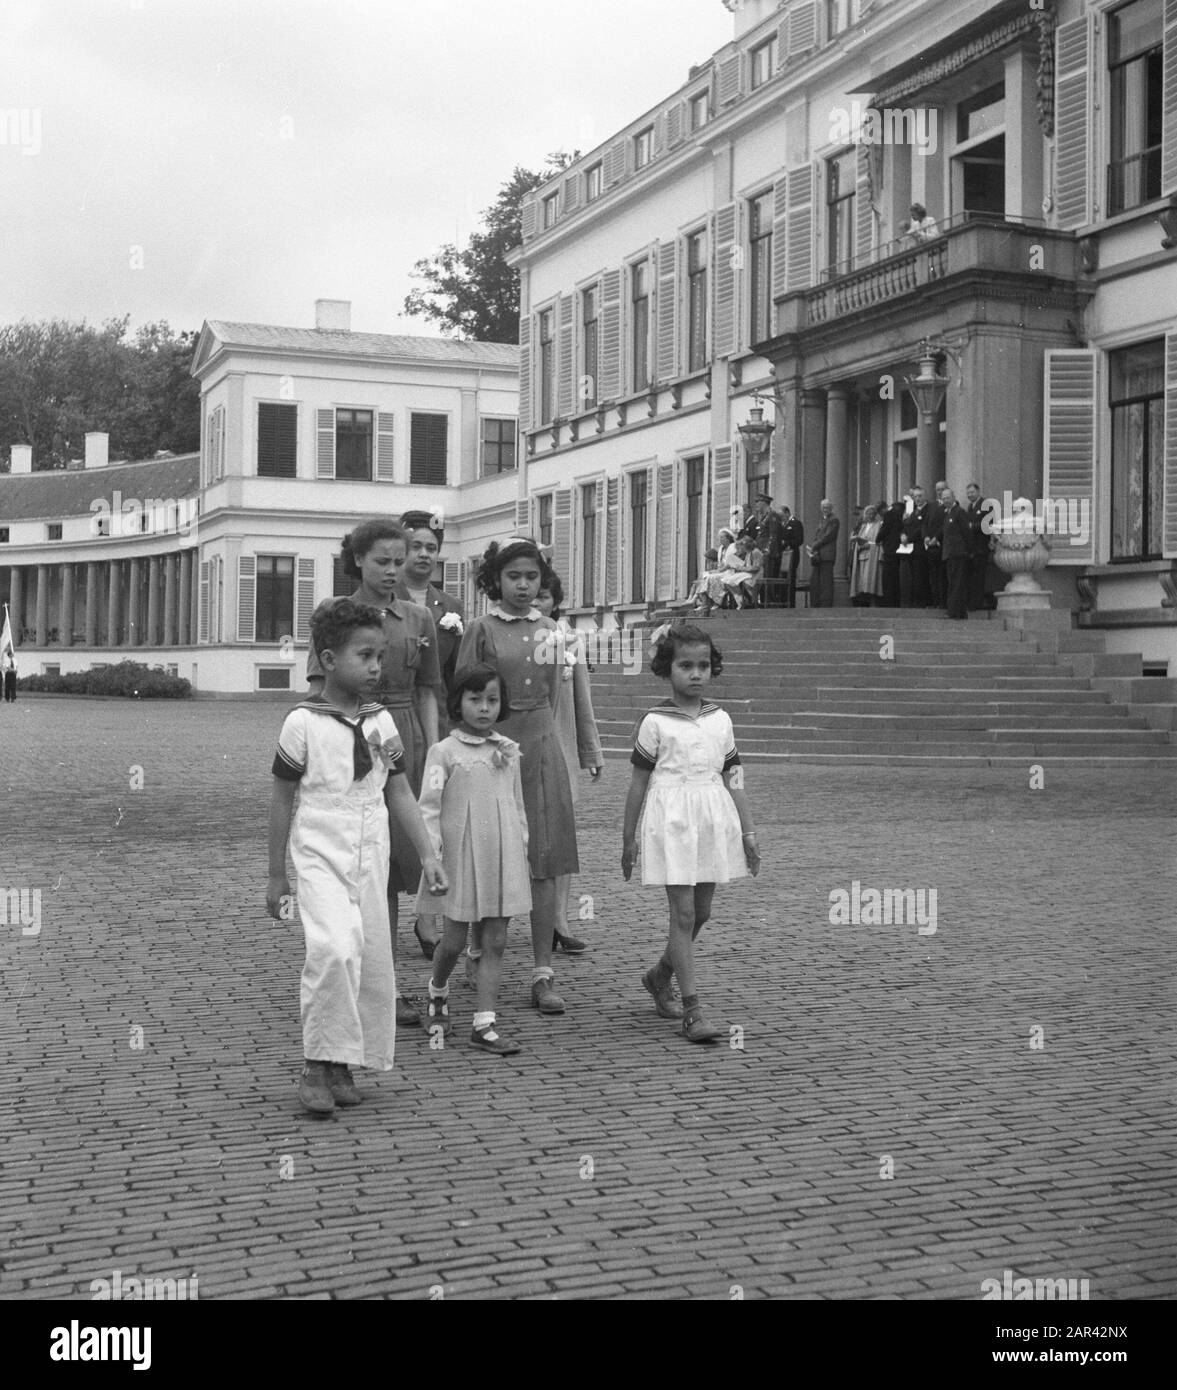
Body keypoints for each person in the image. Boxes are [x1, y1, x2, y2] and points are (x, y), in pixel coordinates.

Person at [266, 599, 448, 1114]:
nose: (376, 668)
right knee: (332, 948)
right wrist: (275, 874)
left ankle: (344, 1061)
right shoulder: (302, 722)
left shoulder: (380, 720)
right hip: (321, 840)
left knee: (367, 954)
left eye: (380, 657)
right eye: (364, 656)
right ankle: (315, 1064)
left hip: (373, 841)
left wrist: (429, 854)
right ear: (327, 659)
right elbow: (282, 798)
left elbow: (399, 791)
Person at [306, 519, 441, 1025]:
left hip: (403, 734)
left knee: (397, 865)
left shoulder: (418, 617)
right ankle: (363, 981)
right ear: (357, 560)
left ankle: (380, 982)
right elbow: (320, 686)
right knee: (365, 863)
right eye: (381, 560)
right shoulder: (335, 615)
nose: (392, 569)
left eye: (398, 560)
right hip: (353, 732)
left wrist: (429, 744)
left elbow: (429, 688)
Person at [457, 537, 579, 1015]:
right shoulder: (481, 629)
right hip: (493, 749)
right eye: (514, 577)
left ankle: (543, 972)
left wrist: (548, 744)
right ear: (496, 581)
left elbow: (552, 696)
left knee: (545, 859)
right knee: (489, 853)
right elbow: (467, 696)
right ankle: (474, 950)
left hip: (541, 747)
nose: (524, 585)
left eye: (532, 577)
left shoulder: (551, 628)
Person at [622, 622, 760, 1043]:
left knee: (701, 914)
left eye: (703, 665)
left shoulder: (720, 719)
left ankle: (660, 975)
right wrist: (628, 840)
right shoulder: (655, 721)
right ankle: (693, 1011)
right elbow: (638, 784)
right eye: (685, 665)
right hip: (671, 821)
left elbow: (733, 776)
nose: (695, 674)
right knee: (681, 915)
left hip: (712, 819)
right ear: (668, 668)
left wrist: (748, 832)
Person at [417, 664, 530, 1056]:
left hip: (500, 853)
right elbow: (428, 807)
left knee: (497, 938)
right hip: (460, 855)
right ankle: (437, 989)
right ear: (458, 702)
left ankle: (485, 1023)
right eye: (475, 699)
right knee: (453, 940)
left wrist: (522, 847)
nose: (484, 708)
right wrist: (432, 855)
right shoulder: (443, 752)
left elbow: (516, 804)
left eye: (492, 700)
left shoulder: (507, 750)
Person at [395, 509, 465, 958]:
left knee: (434, 818)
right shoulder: (385, 596)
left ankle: (427, 919)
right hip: (395, 718)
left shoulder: (450, 608)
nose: (423, 554)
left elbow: (456, 674)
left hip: (438, 719)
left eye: (431, 548)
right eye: (415, 547)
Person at [536, 572, 603, 955]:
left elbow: (582, 698)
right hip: (518, 751)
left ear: (554, 601)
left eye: (544, 595)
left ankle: (559, 921)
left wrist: (590, 751)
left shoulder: (569, 640)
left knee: (560, 839)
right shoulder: (505, 638)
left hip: (559, 749)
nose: (536, 602)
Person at [747, 494, 784, 605]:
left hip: (769, 554)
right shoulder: (765, 517)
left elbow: (773, 536)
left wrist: (767, 551)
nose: (756, 505)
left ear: (764, 502)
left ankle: (770, 602)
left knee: (768, 578)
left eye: (758, 502)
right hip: (761, 553)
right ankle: (764, 601)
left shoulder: (773, 516)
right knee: (762, 578)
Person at [940, 488, 972, 620]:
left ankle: (955, 611)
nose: (946, 500)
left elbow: (967, 533)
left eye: (948, 497)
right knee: (952, 583)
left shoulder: (959, 512)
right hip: (949, 553)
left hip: (959, 553)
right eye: (944, 498)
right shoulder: (947, 514)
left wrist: (968, 550)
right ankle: (956, 610)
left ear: (953, 497)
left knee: (957, 583)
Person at [807, 499, 840, 607]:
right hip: (818, 555)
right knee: (815, 581)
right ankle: (816, 604)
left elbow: (828, 536)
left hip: (827, 555)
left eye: (827, 507)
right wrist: (813, 547)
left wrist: (814, 546)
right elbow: (818, 535)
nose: (825, 510)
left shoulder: (834, 520)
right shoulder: (822, 519)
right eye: (823, 507)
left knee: (826, 582)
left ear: (831, 508)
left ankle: (825, 605)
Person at [848, 504, 883, 605]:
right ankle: (863, 600)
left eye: (872, 514)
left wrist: (869, 544)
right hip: (862, 554)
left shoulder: (878, 525)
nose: (870, 516)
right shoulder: (863, 526)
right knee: (861, 581)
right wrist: (858, 545)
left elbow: (878, 541)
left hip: (872, 555)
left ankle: (872, 601)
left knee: (870, 581)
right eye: (868, 514)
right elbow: (859, 539)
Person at [965, 482, 990, 611]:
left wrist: (972, 526)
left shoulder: (986, 504)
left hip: (981, 546)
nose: (970, 495)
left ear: (978, 491)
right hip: (971, 548)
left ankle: (977, 603)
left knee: (979, 577)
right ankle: (972, 602)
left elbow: (987, 524)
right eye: (968, 493)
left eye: (972, 492)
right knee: (972, 577)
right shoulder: (970, 507)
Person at [877, 500, 904, 607]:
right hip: (896, 548)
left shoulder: (889, 514)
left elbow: (884, 530)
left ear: (882, 509)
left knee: (888, 576)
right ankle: (895, 600)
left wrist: (877, 539)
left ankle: (889, 601)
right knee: (895, 575)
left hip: (890, 548)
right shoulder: (898, 514)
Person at [779, 507, 804, 607]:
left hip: (792, 554)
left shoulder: (795, 523)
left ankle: (791, 603)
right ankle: (784, 602)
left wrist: (786, 543)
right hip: (783, 555)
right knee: (783, 579)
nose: (781, 518)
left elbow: (799, 540)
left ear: (787, 513)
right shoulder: (783, 525)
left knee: (791, 578)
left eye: (782, 516)